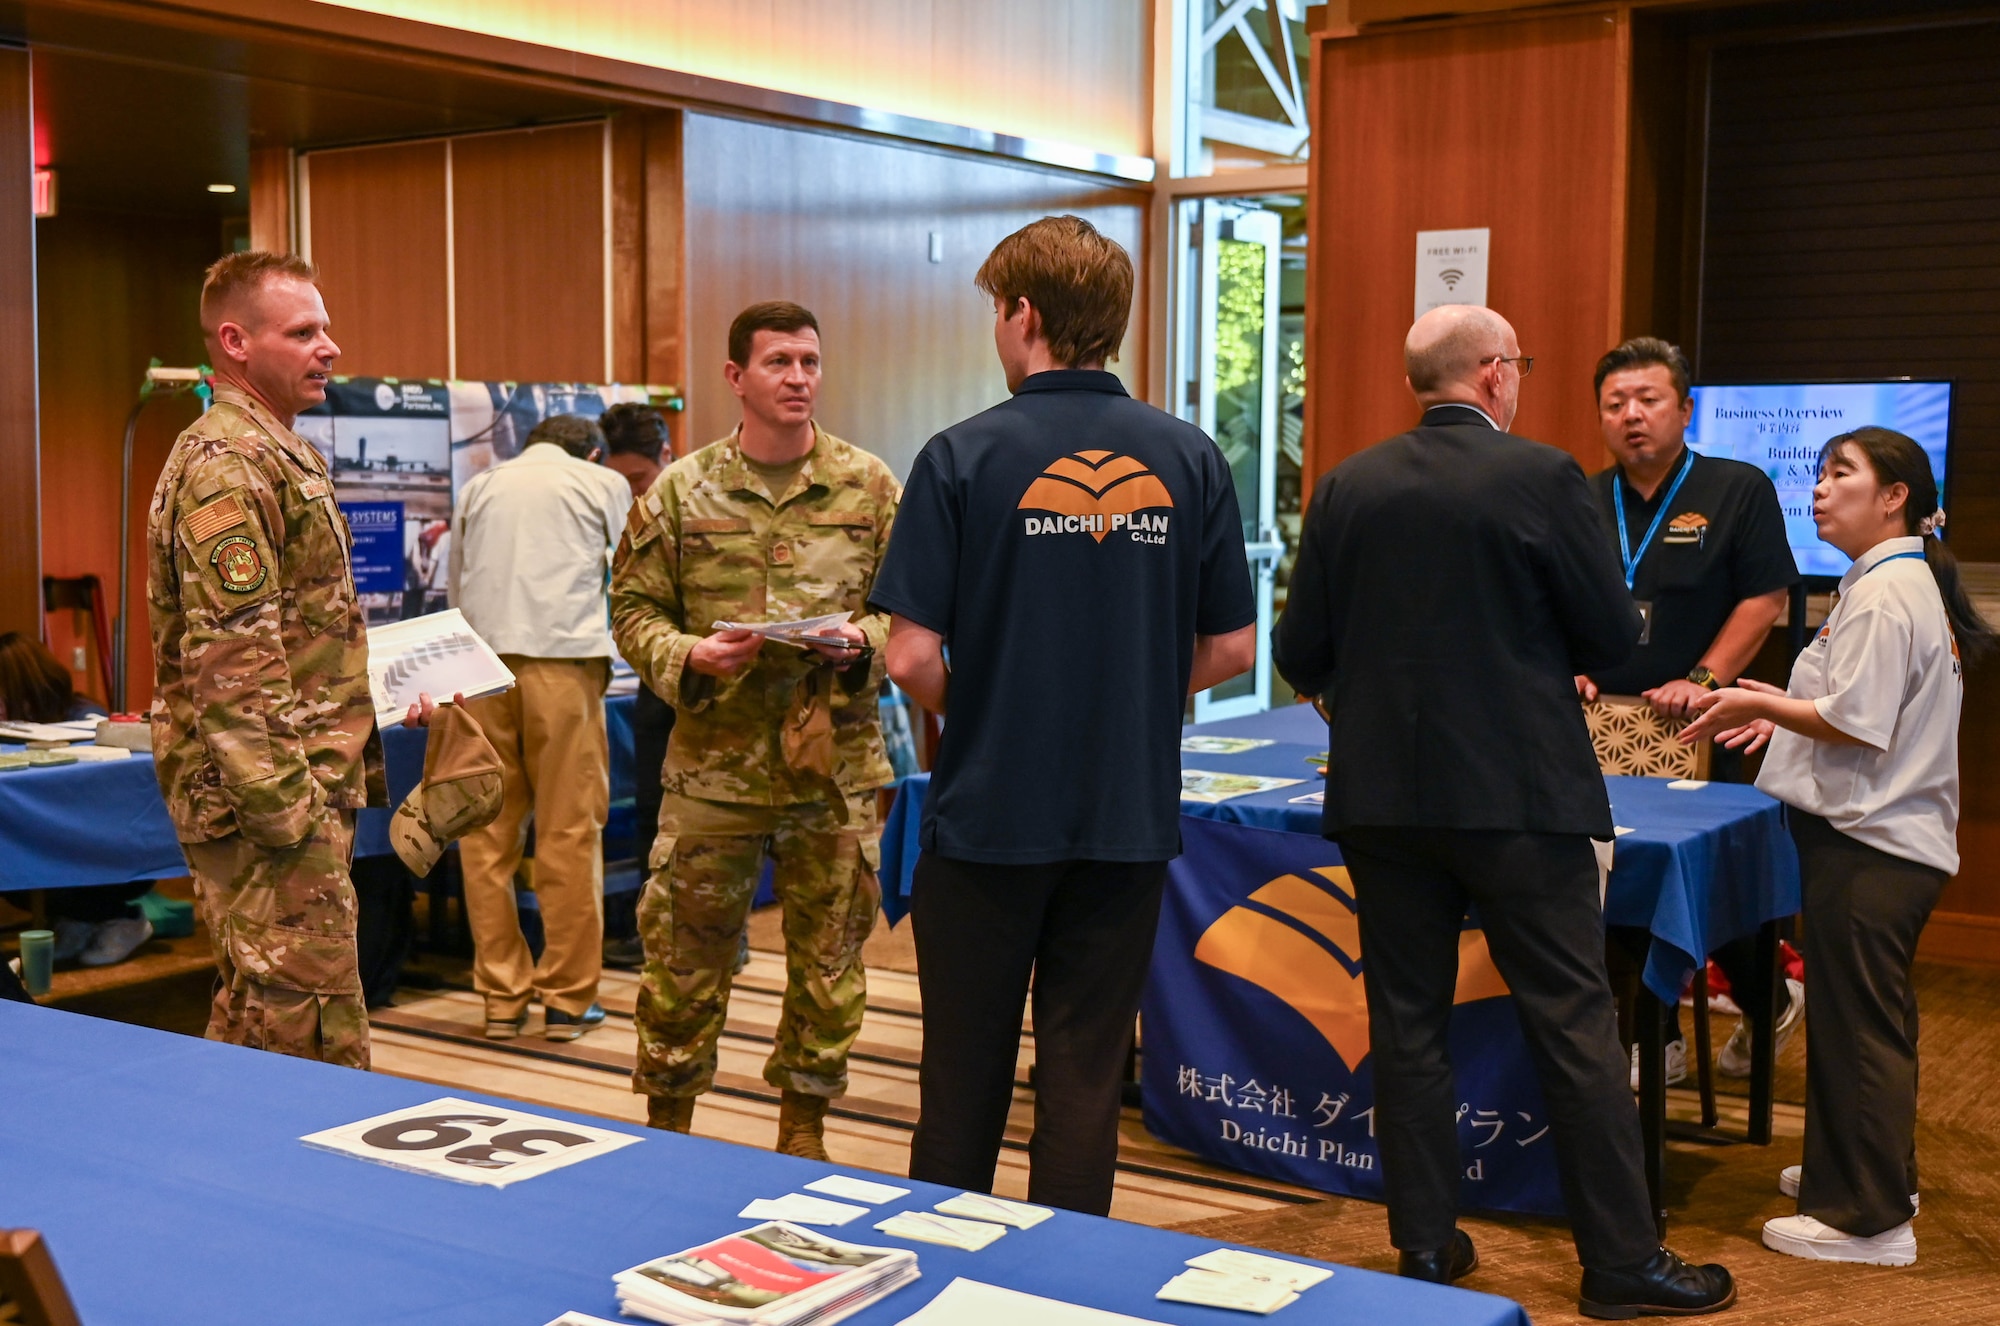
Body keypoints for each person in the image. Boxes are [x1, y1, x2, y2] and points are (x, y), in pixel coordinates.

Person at [1270, 304, 1734, 1317]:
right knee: (1569, 1023)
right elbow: (1611, 637)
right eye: (1516, 364)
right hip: (1521, 799)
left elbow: (1297, 650)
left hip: (1383, 800)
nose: (1517, 378)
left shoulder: (1349, 483)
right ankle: (1618, 1262)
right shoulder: (1542, 476)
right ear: (1490, 375)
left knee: (1404, 1025)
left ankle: (1427, 1248)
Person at [873, 216, 1258, 1216]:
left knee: (963, 1081)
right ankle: (1065, 1294)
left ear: (1024, 316)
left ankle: (942, 1276)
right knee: (1083, 1083)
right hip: (1125, 818)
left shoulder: (959, 455)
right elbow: (1231, 648)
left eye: (994, 313)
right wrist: (1120, 693)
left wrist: (994, 700)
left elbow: (908, 654)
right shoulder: (1188, 456)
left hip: (990, 817)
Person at [1683, 427, 1993, 1267]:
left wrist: (1763, 707)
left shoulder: (1892, 592)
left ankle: (1869, 1220)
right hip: (1882, 841)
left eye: (1840, 475)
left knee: (1860, 1028)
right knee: (1871, 1019)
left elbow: (1857, 721)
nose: (1819, 489)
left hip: (1875, 847)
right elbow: (1855, 703)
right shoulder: (1891, 582)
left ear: (1894, 496)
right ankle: (1874, 1171)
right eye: (1818, 475)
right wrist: (1778, 707)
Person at [611, 301, 898, 1159]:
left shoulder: (871, 486)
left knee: (830, 964)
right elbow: (631, 609)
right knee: (682, 962)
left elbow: (908, 616)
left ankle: (803, 1132)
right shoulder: (681, 489)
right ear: (736, 377)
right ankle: (669, 1130)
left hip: (832, 770)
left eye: (810, 362)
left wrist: (860, 642)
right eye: (779, 363)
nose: (799, 378)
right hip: (712, 773)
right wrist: (689, 654)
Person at [146, 250, 442, 1069]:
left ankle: (229, 1184)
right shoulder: (228, 467)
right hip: (271, 803)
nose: (330, 347)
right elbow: (232, 660)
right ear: (236, 342)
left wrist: (388, 689)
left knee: (263, 1013)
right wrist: (290, 818)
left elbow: (302, 631)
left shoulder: (279, 449)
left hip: (296, 785)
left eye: (328, 327)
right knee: (311, 1033)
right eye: (304, 330)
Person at [1580, 337, 1804, 1085]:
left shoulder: (1737, 487)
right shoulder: (1582, 495)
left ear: (1685, 408)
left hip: (1704, 720)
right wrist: (1568, 668)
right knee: (1620, 872)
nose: (1632, 416)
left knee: (1709, 880)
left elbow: (1766, 597)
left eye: (1647, 400)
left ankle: (1764, 994)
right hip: (1605, 725)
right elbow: (1553, 601)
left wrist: (1705, 679)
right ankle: (1655, 1035)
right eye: (1616, 405)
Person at [450, 413, 632, 1041]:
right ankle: (567, 1001)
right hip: (564, 667)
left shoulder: (480, 486)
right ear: (595, 452)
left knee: (484, 839)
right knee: (569, 833)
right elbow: (631, 578)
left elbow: (457, 588)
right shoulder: (598, 483)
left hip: (479, 669)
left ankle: (501, 998)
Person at [598, 401, 676, 970]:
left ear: (666, 459)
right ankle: (654, 933)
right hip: (652, 688)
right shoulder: (615, 515)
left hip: (703, 686)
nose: (626, 493)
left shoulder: (692, 503)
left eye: (635, 480)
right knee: (651, 810)